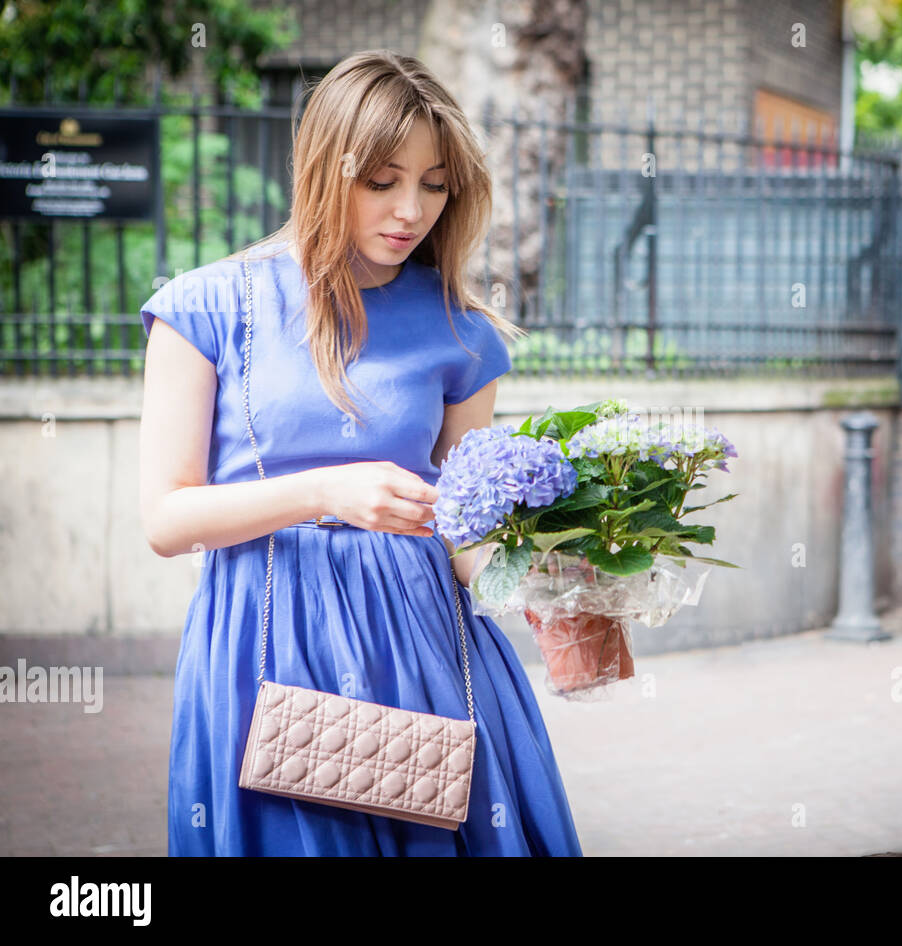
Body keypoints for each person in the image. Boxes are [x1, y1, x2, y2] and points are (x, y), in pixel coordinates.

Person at [138, 49, 583, 856]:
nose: (411, 209)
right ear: (323, 168)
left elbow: (465, 530)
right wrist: (326, 492)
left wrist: (548, 595)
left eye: (435, 183)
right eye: (382, 180)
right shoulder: (204, 307)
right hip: (263, 646)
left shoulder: (459, 327)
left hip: (425, 647)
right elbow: (168, 519)